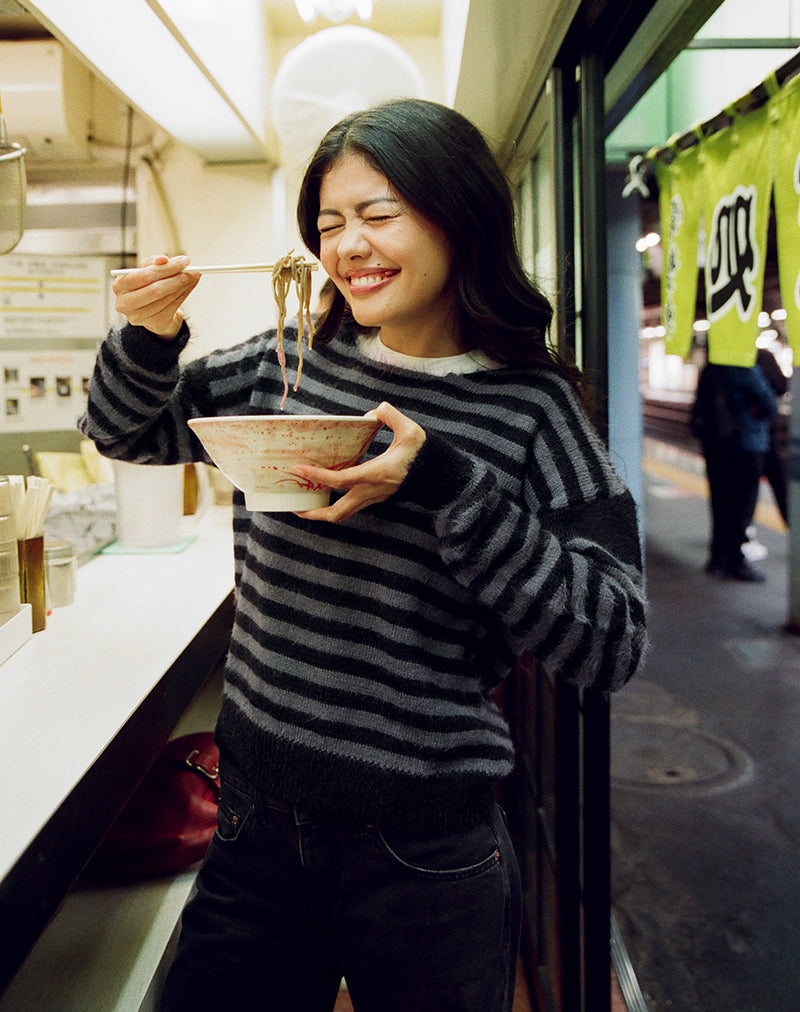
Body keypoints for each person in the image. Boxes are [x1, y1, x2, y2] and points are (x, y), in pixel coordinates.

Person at [80, 98, 647, 1012]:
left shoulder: (534, 410)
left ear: (458, 216)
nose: (348, 246)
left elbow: (612, 639)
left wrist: (448, 486)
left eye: (379, 215)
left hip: (426, 846)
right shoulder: (292, 361)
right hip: (257, 816)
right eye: (329, 223)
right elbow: (126, 429)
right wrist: (147, 336)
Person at [690, 359, 776, 581]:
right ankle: (735, 561)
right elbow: (769, 403)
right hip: (745, 444)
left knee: (720, 503)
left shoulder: (711, 367)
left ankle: (717, 558)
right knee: (742, 506)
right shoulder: (743, 366)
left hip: (716, 444)